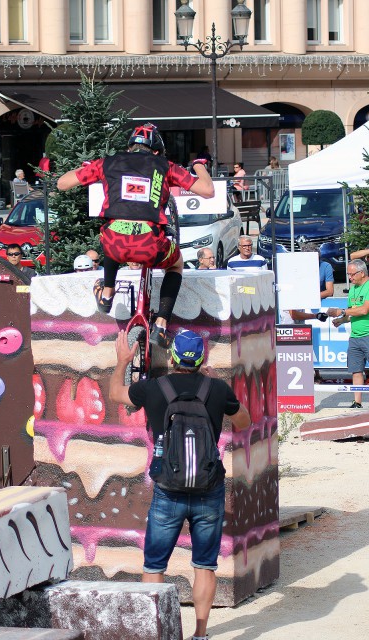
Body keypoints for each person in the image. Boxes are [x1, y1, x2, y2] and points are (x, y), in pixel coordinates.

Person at [109, 328, 250, 640]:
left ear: (172, 357)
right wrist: (216, 386)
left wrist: (122, 361)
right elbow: (244, 421)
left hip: (168, 491)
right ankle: (200, 634)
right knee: (204, 565)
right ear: (202, 359)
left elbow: (116, 394)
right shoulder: (216, 388)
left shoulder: (154, 388)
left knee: (155, 565)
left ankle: (157, 633)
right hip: (208, 490)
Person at [57, 123, 215, 348]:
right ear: (157, 151)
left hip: (114, 241)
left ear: (130, 147)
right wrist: (199, 165)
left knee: (110, 234)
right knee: (176, 264)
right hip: (149, 243)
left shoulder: (108, 163)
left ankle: (107, 293)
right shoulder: (165, 166)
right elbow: (208, 191)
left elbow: (62, 183)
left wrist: (90, 168)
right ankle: (161, 323)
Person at [327, 259, 369, 409]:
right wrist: (341, 320)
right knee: (356, 370)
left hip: (368, 334)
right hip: (355, 336)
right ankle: (357, 402)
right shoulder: (353, 290)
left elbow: (364, 310)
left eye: (351, 275)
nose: (349, 278)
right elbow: (352, 314)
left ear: (362, 273)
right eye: (348, 275)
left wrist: (342, 311)